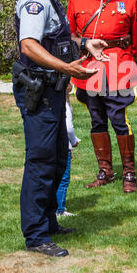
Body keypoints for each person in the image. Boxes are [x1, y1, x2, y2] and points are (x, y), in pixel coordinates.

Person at [13, 0, 108, 257]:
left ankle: (49, 221)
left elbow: (53, 39)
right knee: (40, 161)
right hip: (39, 91)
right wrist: (66, 67)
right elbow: (29, 45)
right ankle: (36, 236)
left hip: (52, 88)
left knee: (56, 157)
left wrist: (84, 43)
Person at [67, 0, 137, 193]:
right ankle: (105, 171)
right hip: (89, 66)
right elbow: (69, 35)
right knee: (96, 118)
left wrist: (129, 62)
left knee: (120, 119)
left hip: (119, 65)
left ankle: (129, 173)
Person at [56, 82, 80, 217]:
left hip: (50, 146)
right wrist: (74, 140)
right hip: (64, 146)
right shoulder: (65, 105)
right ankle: (59, 209)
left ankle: (50, 207)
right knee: (63, 178)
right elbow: (69, 128)